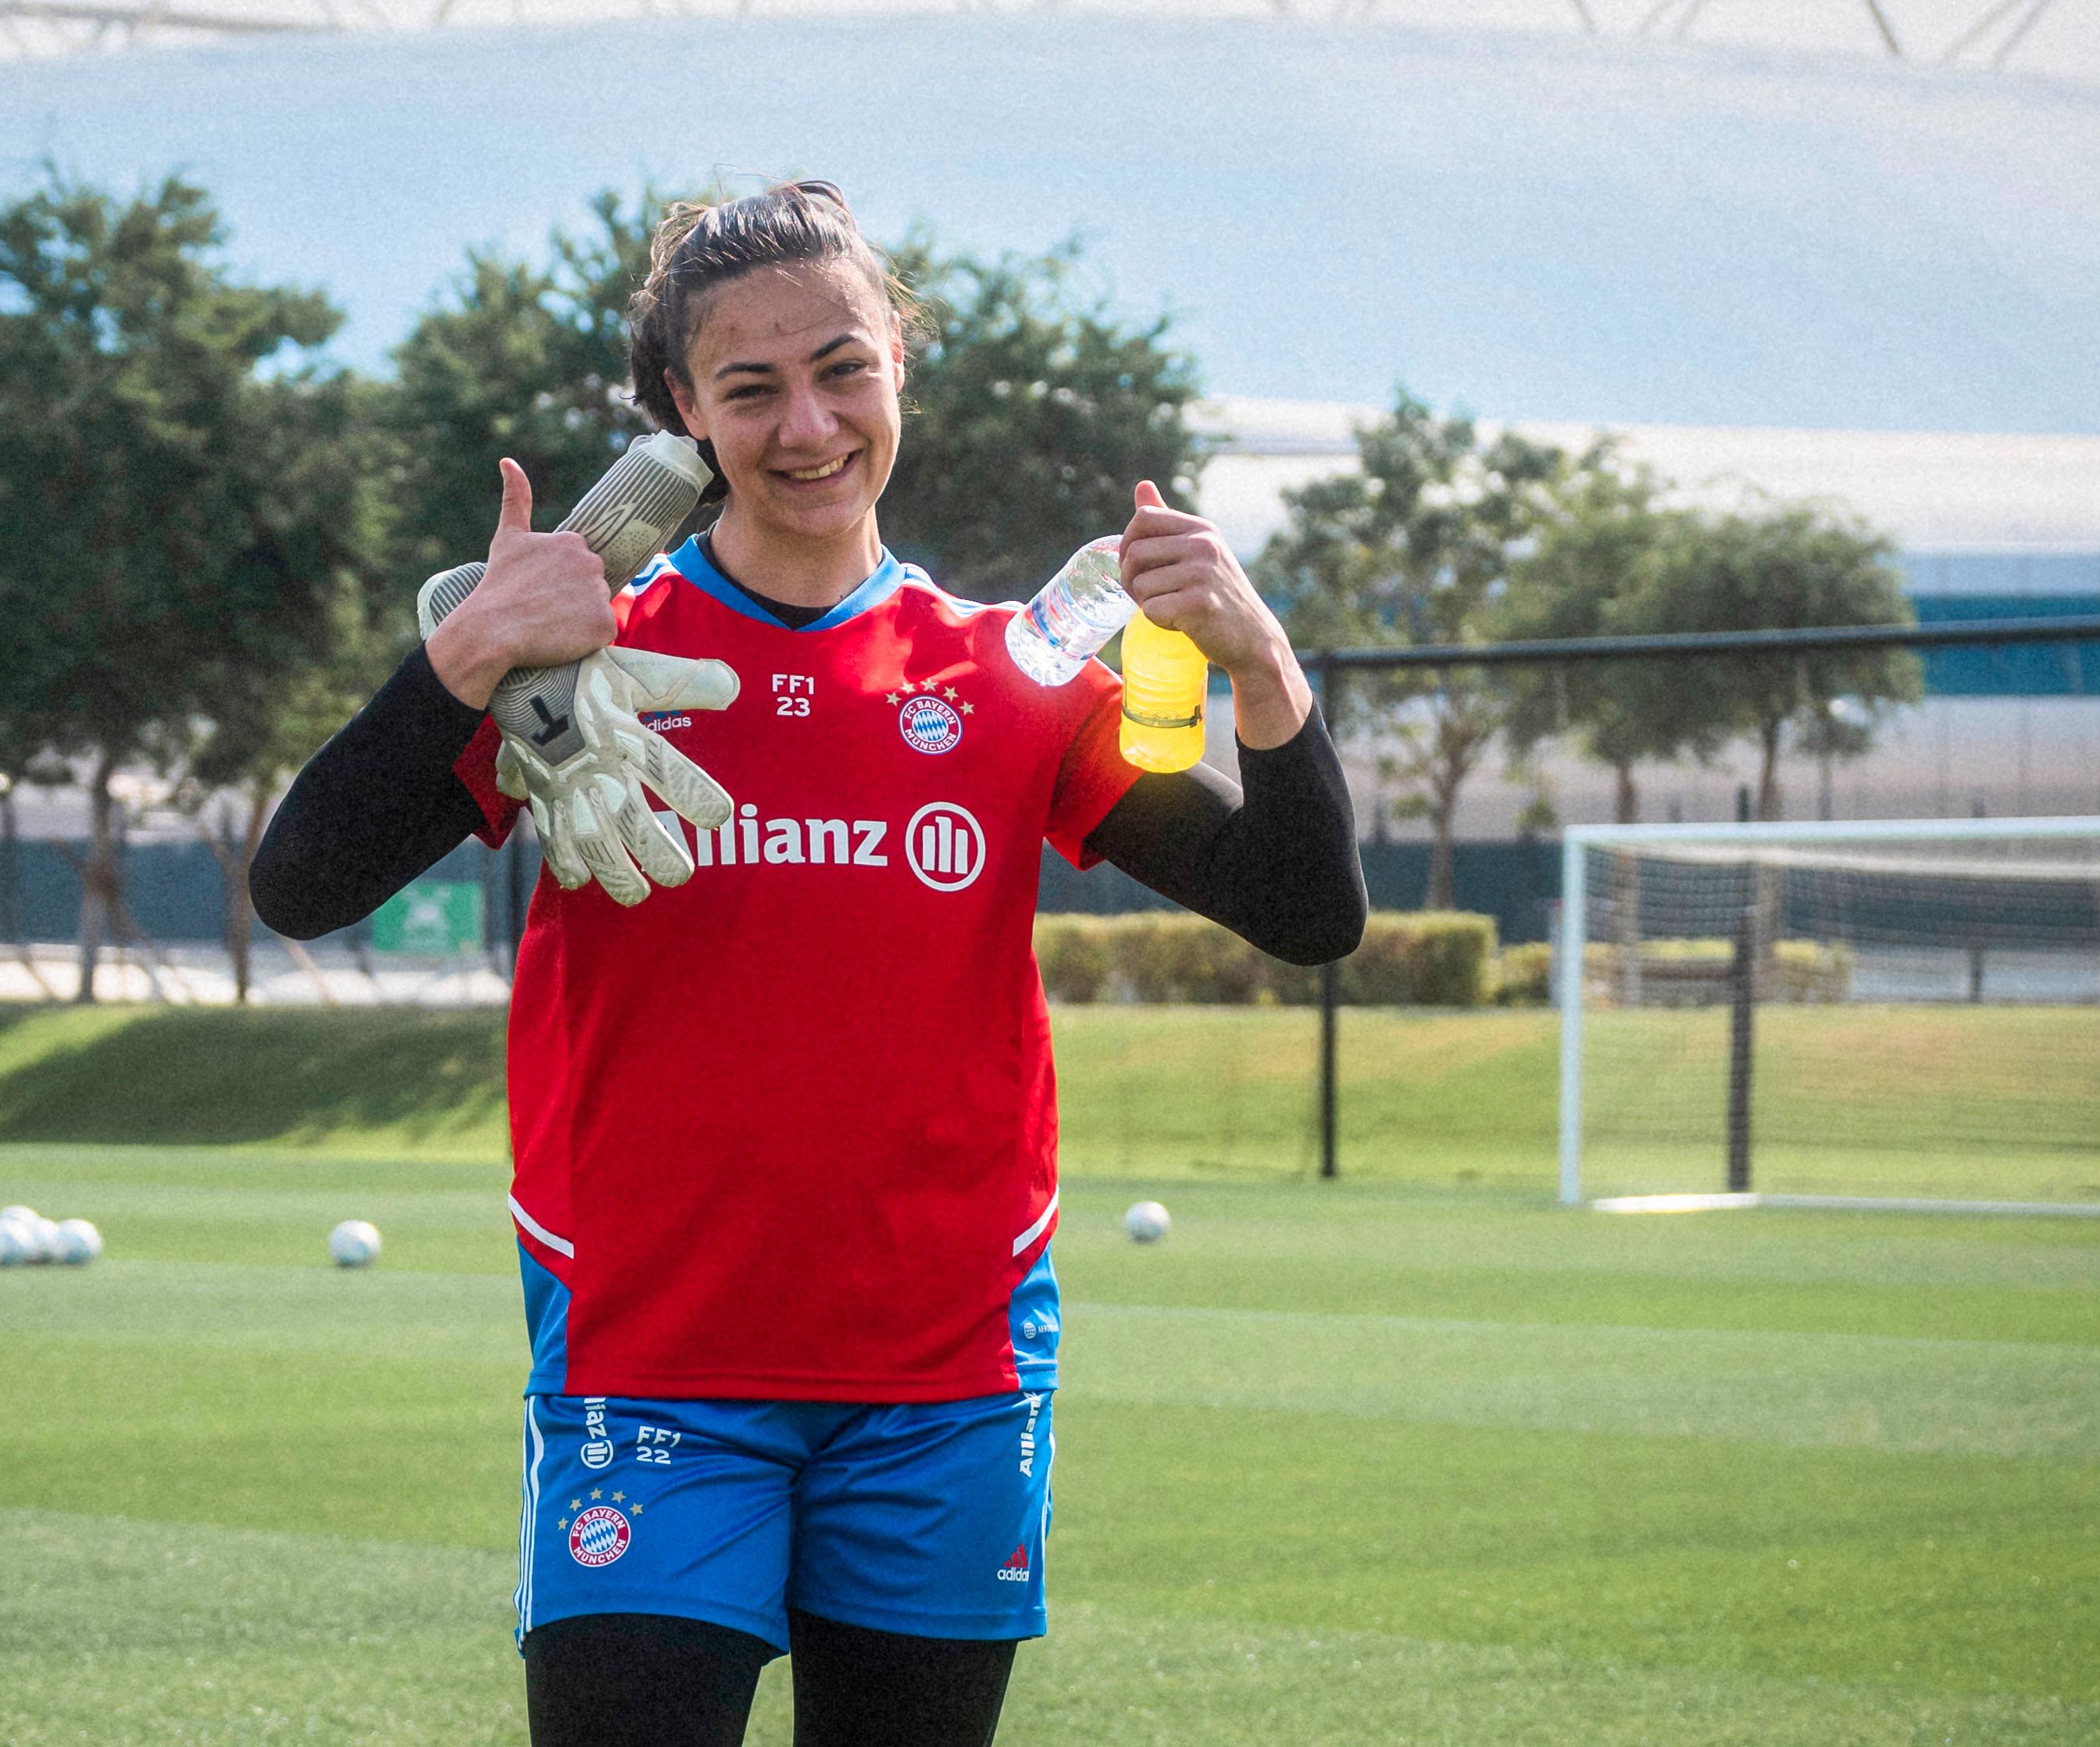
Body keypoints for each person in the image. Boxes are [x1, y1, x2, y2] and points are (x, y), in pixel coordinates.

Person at [253, 180, 1366, 1747]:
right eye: (748, 386)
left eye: (842, 366)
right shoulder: (583, 668)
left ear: (899, 358)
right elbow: (301, 883)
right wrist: (465, 660)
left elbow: (1303, 909)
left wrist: (1265, 672)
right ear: (676, 414)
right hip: (647, 1361)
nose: (807, 423)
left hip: (946, 1377)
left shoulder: (1012, 671)